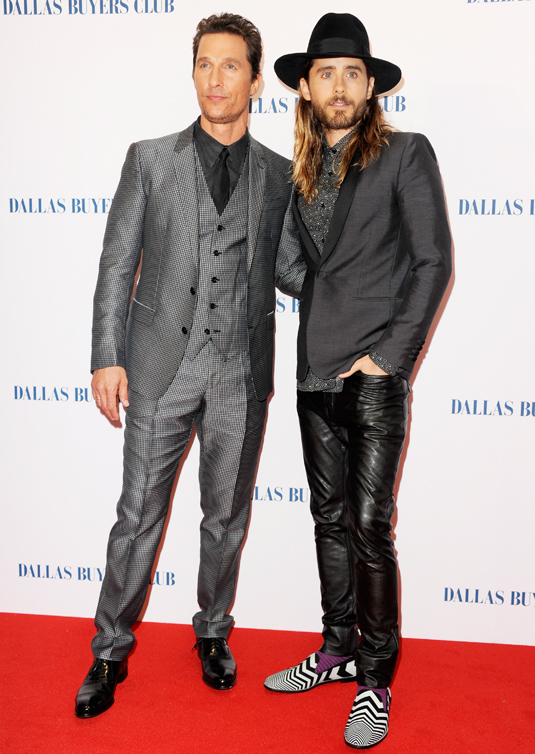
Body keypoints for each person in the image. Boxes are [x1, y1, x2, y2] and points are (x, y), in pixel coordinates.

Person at [75, 12, 304, 719]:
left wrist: (359, 260)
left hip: (240, 372)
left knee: (225, 517)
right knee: (137, 516)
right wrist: (107, 357)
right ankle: (109, 650)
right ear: (193, 72)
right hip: (157, 369)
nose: (215, 78)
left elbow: (291, 269)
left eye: (231, 65)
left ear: (255, 81)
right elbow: (117, 263)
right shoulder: (149, 159)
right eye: (205, 63)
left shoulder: (279, 173)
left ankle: (212, 632)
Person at [264, 13, 452, 749]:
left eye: (351, 74)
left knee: (370, 527)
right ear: (306, 90)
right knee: (328, 518)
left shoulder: (406, 153)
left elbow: (433, 262)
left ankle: (375, 678)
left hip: (372, 375)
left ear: (370, 86)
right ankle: (337, 648)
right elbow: (301, 269)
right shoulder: (301, 170)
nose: (338, 87)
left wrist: (388, 359)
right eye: (325, 75)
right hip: (313, 372)